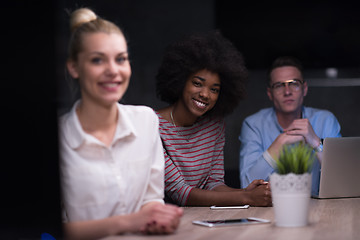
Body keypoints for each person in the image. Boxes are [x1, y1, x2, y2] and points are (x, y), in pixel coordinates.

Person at [59, 8, 183, 239]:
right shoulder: (59, 137)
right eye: (98, 60)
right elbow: (54, 229)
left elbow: (150, 199)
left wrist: (157, 218)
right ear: (74, 67)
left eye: (121, 59)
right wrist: (131, 221)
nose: (113, 71)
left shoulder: (146, 121)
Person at [155, 31, 272, 207]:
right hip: (162, 223)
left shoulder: (214, 126)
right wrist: (247, 198)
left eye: (214, 89)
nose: (205, 94)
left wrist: (249, 192)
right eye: (197, 83)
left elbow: (213, 183)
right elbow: (180, 193)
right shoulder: (153, 126)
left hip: (202, 220)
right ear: (180, 81)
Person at [239, 56, 341, 196]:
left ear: (304, 89)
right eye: (279, 85)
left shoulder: (325, 120)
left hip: (317, 208)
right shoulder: (253, 124)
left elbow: (342, 181)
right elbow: (246, 185)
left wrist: (317, 144)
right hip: (267, 211)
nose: (287, 91)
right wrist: (280, 142)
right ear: (270, 93)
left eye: (294, 83)